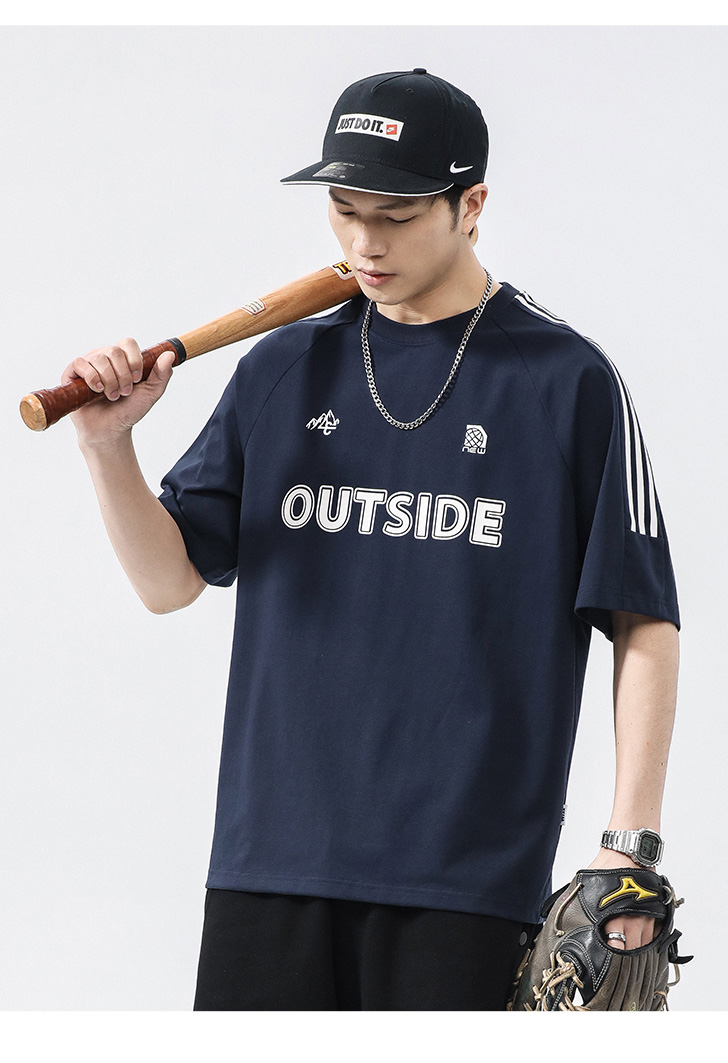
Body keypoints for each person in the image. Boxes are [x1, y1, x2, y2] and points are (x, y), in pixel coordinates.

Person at [63, 68, 680, 1010]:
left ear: (471, 205)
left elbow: (643, 621)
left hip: (466, 880)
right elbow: (168, 581)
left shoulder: (566, 381)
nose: (363, 243)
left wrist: (629, 847)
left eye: (395, 215)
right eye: (344, 212)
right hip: (268, 862)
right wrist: (109, 446)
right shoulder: (283, 366)